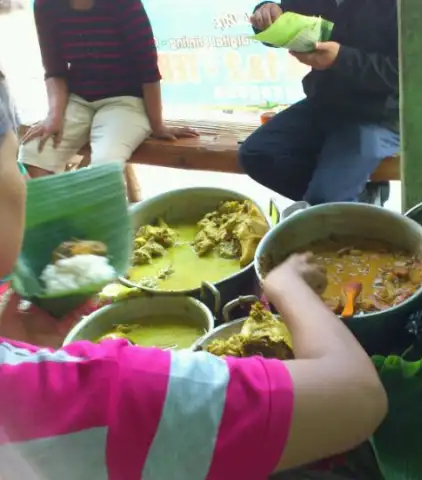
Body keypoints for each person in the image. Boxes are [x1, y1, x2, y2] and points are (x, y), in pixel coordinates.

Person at [0, 82, 388, 477]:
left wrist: (17, 345)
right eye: (15, 161)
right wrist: (288, 286)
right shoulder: (103, 388)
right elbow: (358, 397)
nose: (27, 182)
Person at [239, 0, 399, 205]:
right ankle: (359, 202)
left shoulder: (400, 7)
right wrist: (268, 14)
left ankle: (338, 206)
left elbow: (403, 72)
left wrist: (340, 58)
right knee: (256, 154)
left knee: (325, 200)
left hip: (379, 115)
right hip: (324, 101)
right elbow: (288, 22)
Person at [18, 0, 197, 179]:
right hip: (78, 99)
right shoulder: (45, 5)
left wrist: (157, 125)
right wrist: (54, 116)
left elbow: (148, 69)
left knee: (105, 168)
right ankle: (56, 207)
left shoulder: (124, 4)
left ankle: (88, 204)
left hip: (126, 100)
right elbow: (54, 70)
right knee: (33, 152)